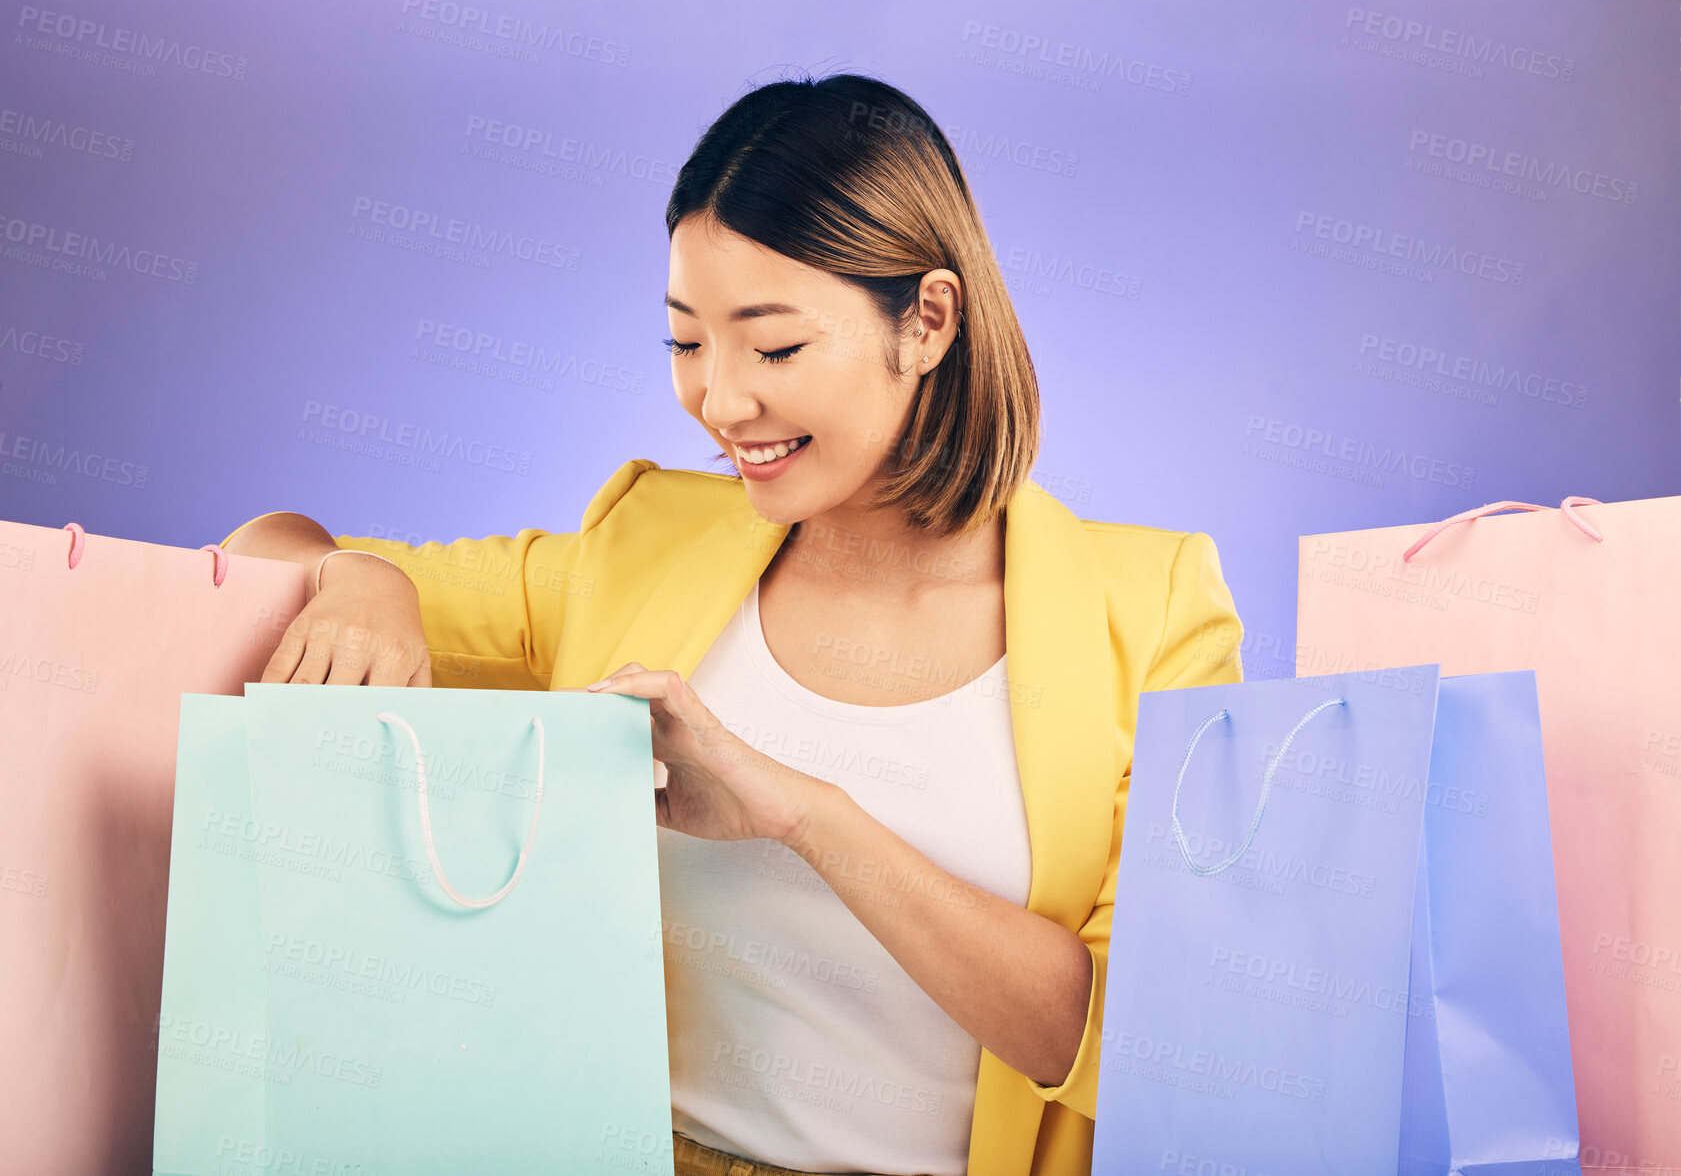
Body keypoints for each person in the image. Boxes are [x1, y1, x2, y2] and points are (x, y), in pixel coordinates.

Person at [221, 71, 1244, 1176]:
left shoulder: (1152, 610)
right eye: (684, 342)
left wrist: (801, 813)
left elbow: (1122, 1035)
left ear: (928, 321)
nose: (719, 401)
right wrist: (360, 577)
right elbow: (256, 558)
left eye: (773, 347)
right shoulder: (643, 543)